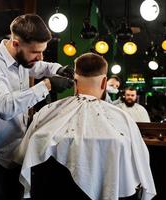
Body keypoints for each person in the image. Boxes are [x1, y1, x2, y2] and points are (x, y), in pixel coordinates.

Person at [15, 52, 156, 200]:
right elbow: (140, 168)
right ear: (104, 82)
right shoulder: (122, 118)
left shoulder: (48, 112)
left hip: (53, 192)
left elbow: (23, 155)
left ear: (75, 81)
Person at [0, 14, 73, 200]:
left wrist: (58, 69)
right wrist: (47, 85)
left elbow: (39, 66)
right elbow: (4, 107)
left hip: (15, 154)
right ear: (16, 43)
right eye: (35, 52)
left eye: (42, 51)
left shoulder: (22, 59)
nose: (39, 57)